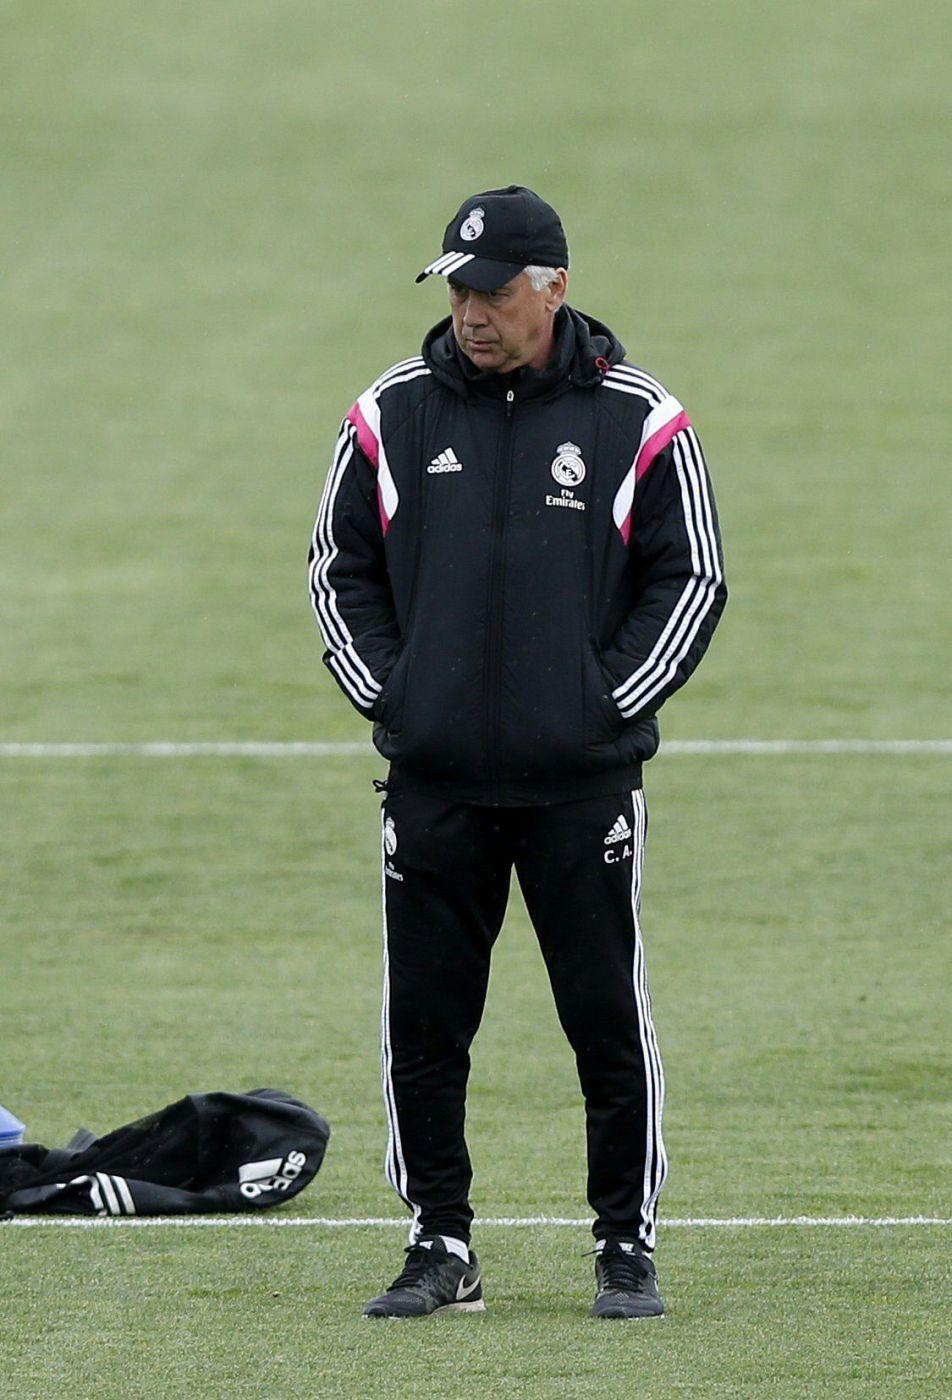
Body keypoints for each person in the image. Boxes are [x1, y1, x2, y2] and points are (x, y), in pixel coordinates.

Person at [308, 185, 726, 1320]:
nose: (470, 311)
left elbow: (690, 577)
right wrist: (397, 698)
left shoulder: (640, 419)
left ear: (554, 288)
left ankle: (624, 1240)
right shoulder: (389, 414)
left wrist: (600, 707)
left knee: (602, 1014)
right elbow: (333, 571)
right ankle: (438, 1238)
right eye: (457, 288)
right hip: (434, 780)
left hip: (578, 786)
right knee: (426, 1022)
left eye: (492, 291)